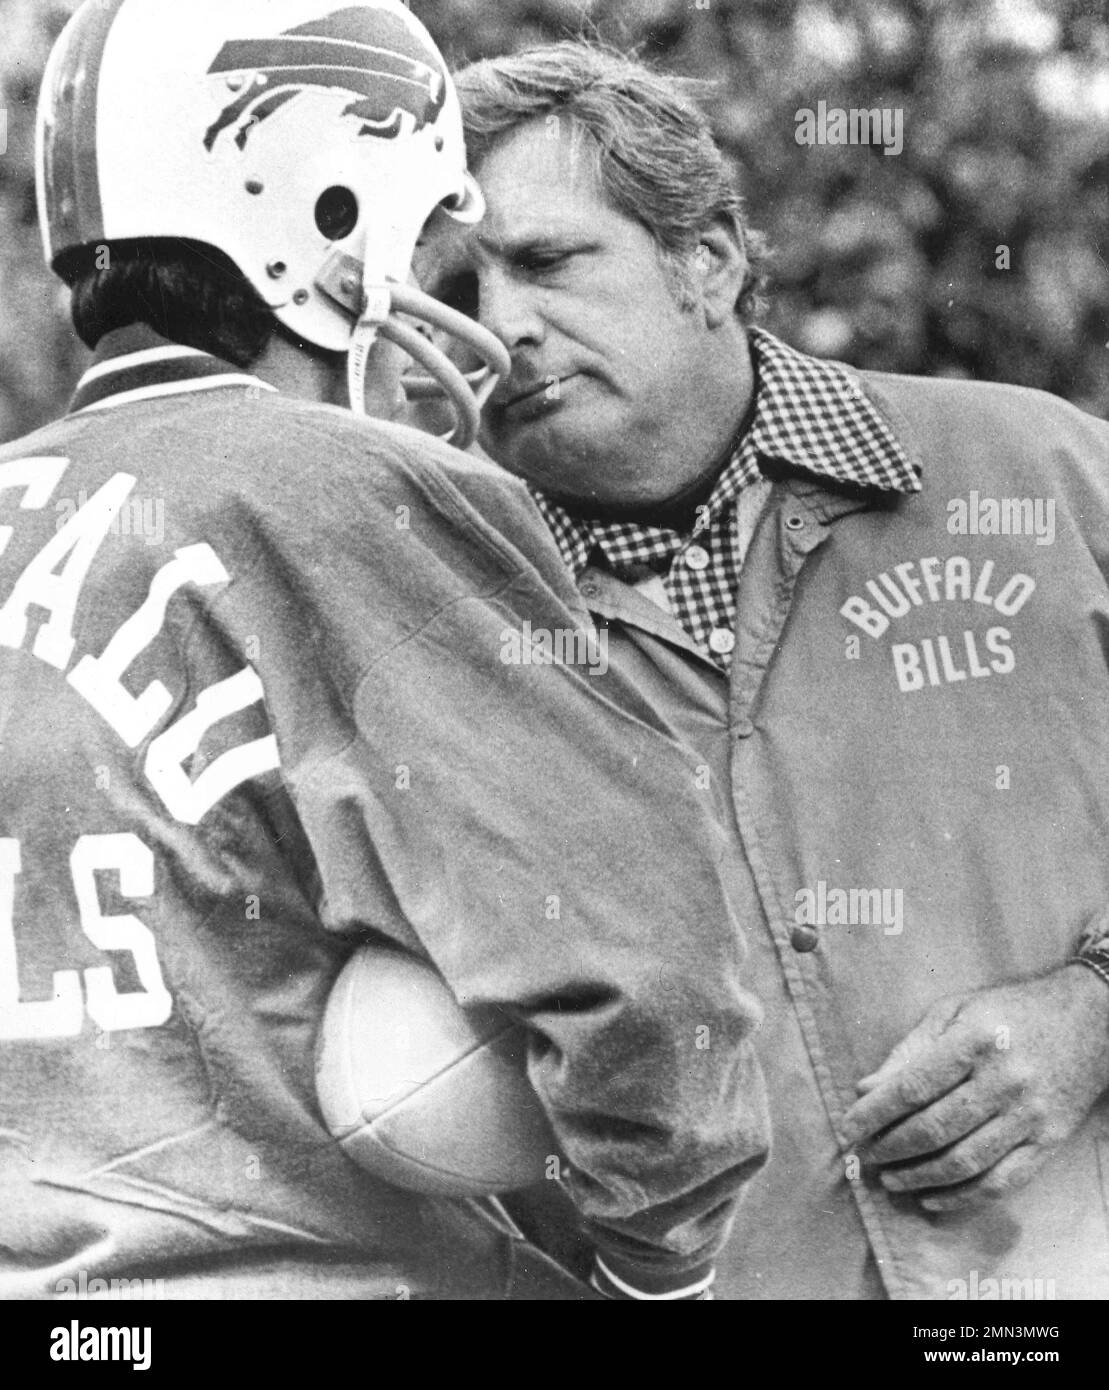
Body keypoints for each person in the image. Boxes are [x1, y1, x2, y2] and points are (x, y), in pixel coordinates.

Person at [0, 3, 771, 1302]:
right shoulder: (352, 492)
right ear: (327, 215)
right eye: (414, 240)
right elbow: (638, 970)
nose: (429, 296)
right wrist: (661, 1254)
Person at [418, 38, 1109, 1300]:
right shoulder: (434, 625)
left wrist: (1096, 1012)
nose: (498, 325)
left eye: (545, 260)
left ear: (708, 262)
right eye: (453, 288)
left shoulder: (1047, 477)